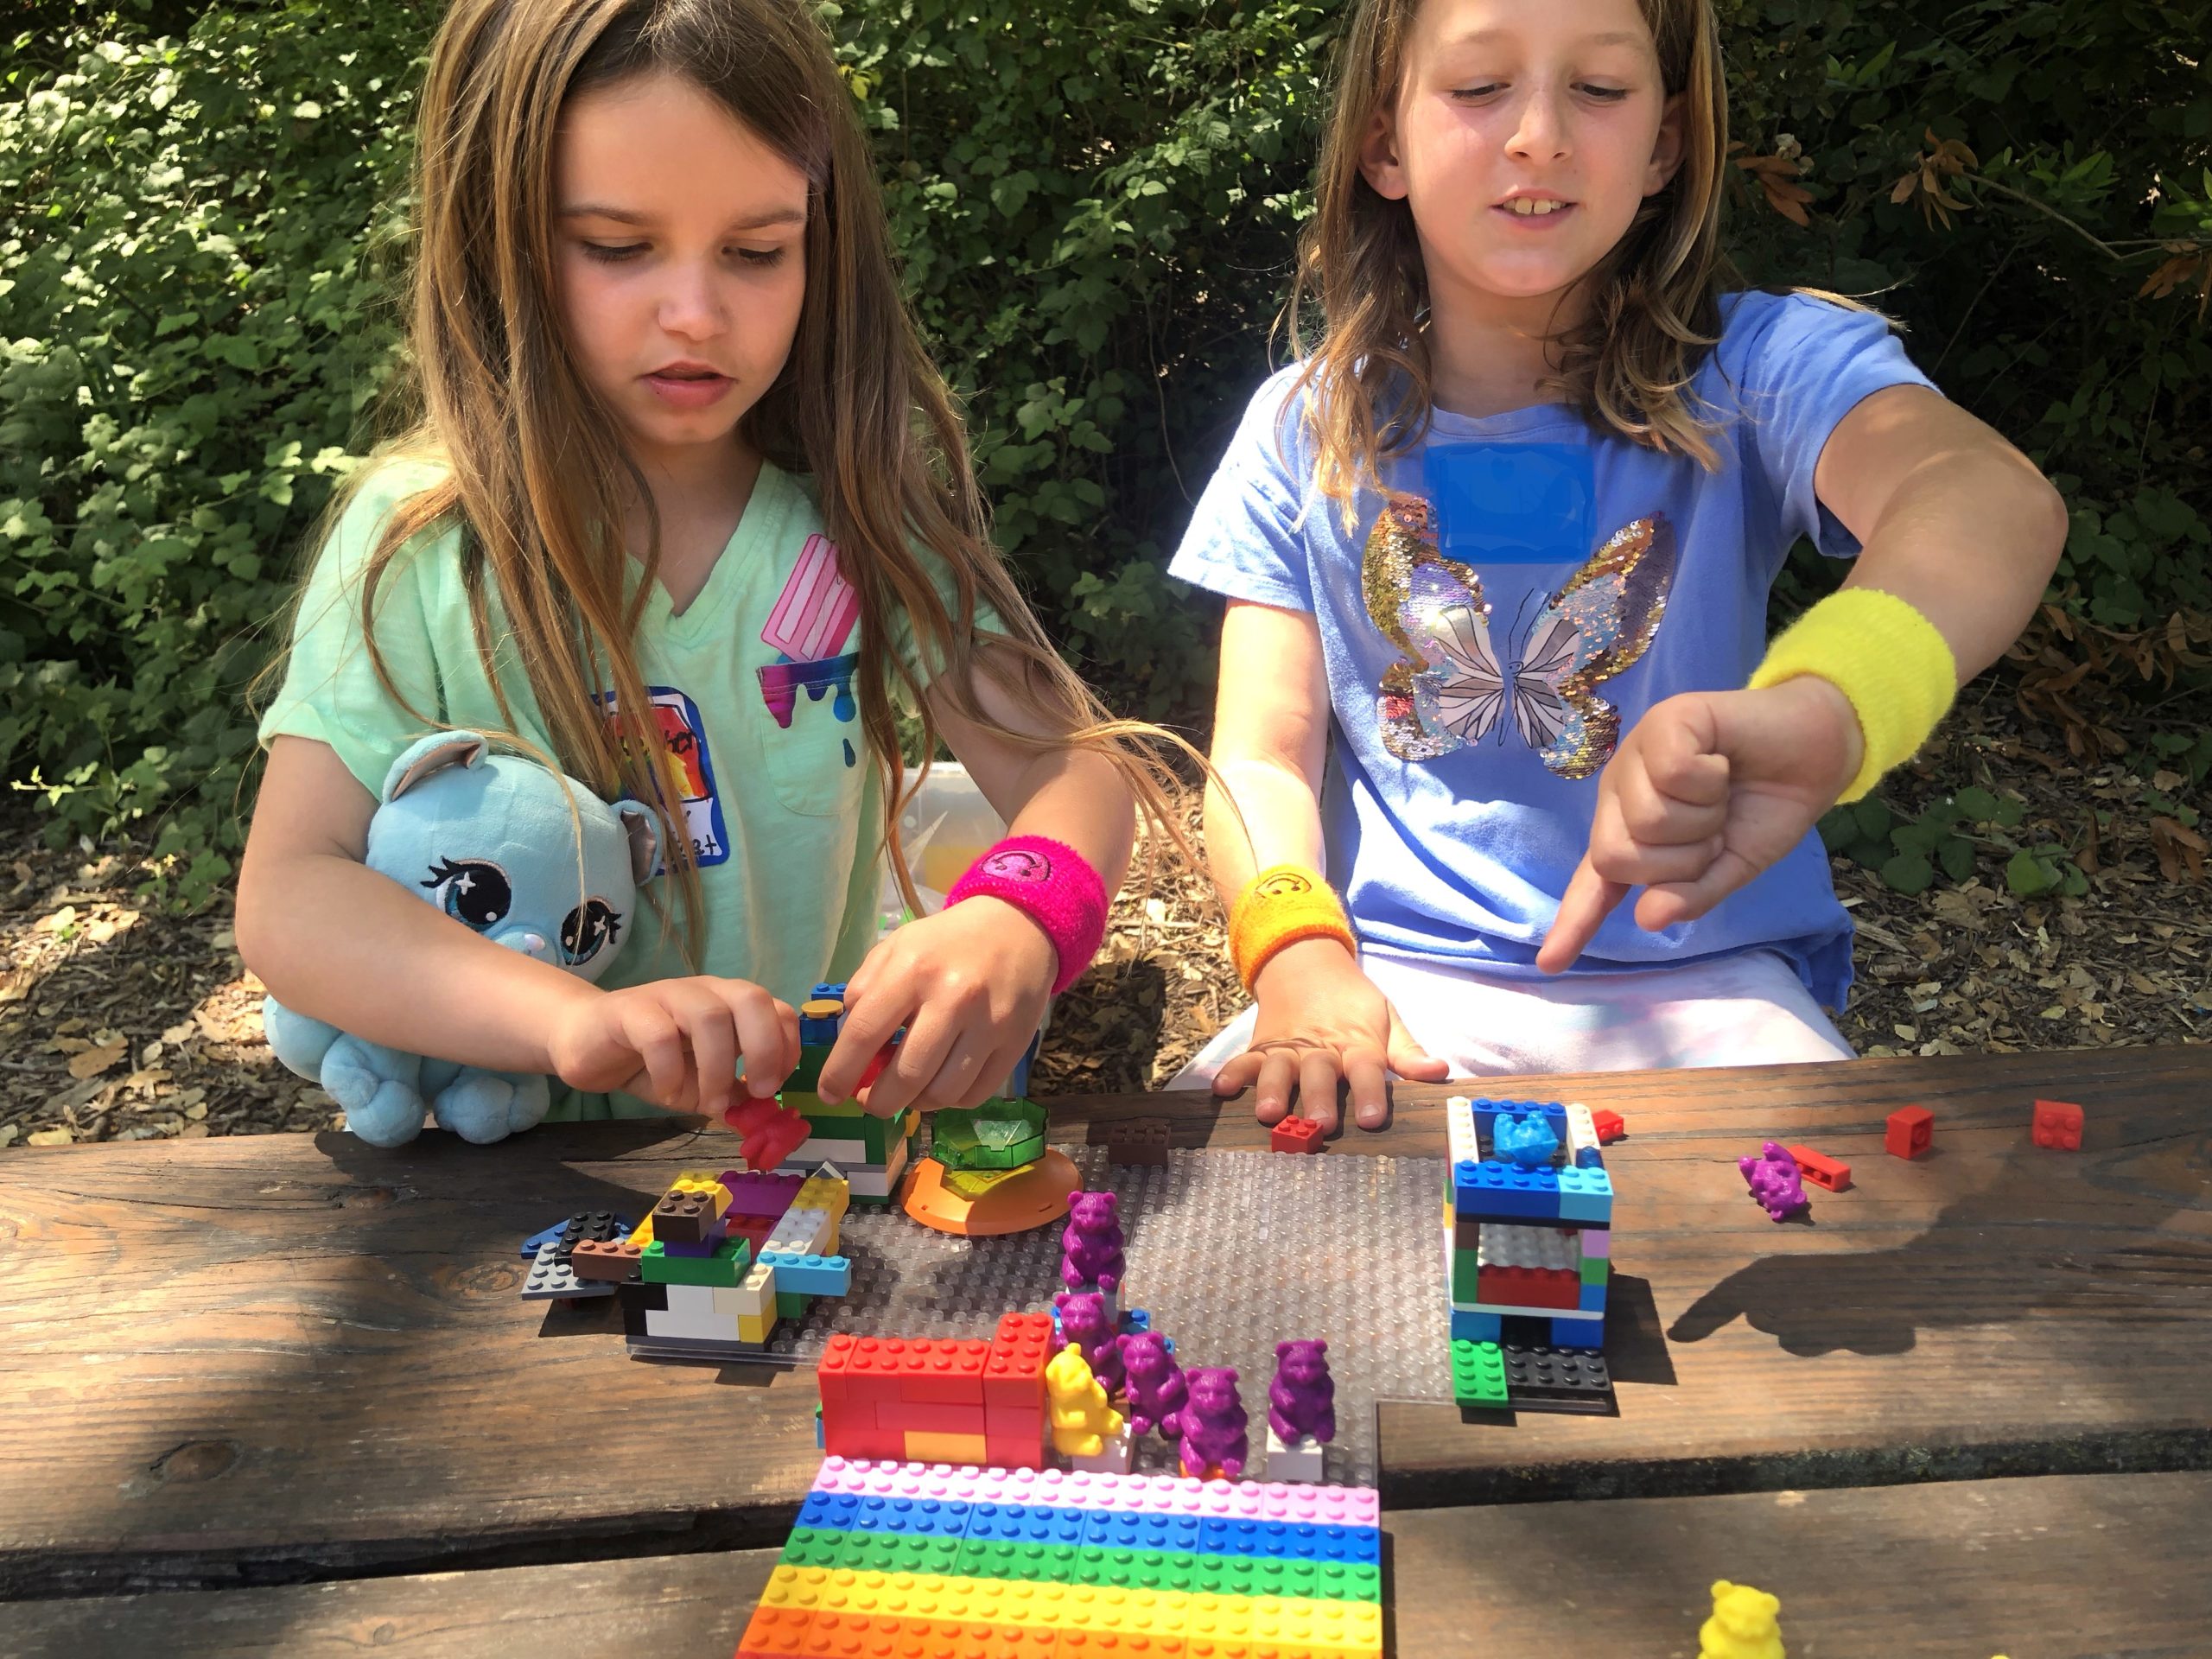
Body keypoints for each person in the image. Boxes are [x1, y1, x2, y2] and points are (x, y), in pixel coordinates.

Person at [238, 0, 1181, 1127]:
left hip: (799, 1161)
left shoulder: (855, 519)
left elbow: (1076, 769)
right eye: (616, 246)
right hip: (504, 1190)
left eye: (756, 250)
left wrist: (1017, 913)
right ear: (495, 241)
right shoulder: (423, 542)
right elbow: (293, 894)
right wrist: (567, 1022)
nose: (695, 313)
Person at [1170, 0, 2068, 1131]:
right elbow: (1260, 757)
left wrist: (1835, 702)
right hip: (1379, 984)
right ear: (1383, 144)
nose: (1539, 135)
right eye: (1479, 87)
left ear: (1665, 146)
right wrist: (1296, 956)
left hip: (1707, 985)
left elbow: (1989, 497)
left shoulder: (1760, 369)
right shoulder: (1303, 429)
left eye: (1598, 90)